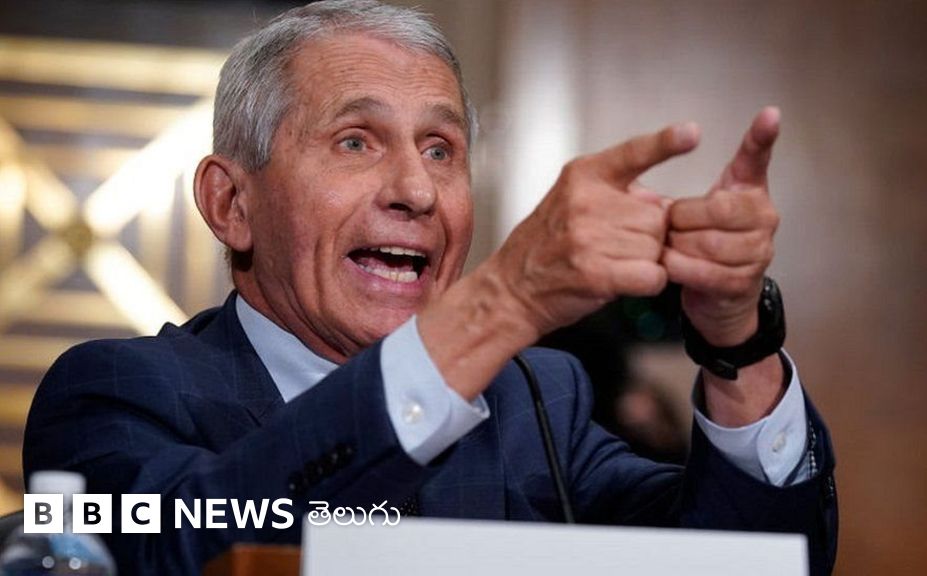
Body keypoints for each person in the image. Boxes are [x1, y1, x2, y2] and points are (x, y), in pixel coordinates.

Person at [23, 1, 837, 574]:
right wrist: (505, 302)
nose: (416, 190)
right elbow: (182, 547)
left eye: (441, 149)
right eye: (355, 141)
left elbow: (747, 558)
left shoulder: (536, 401)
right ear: (231, 203)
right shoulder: (109, 394)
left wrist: (738, 337)